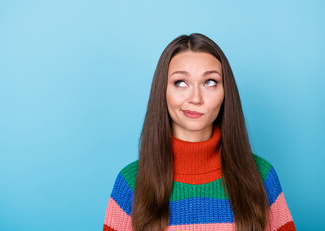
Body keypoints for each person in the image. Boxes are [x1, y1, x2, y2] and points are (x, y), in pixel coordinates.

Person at [103, 33, 296, 231]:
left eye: (210, 82)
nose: (195, 98)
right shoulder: (130, 183)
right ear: (163, 91)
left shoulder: (262, 177)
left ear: (225, 93)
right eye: (180, 82)